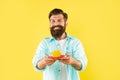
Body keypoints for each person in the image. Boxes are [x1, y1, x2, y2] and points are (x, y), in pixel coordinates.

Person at [32, 8, 88, 80]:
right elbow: (36, 65)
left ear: (66, 24)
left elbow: (82, 65)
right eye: (53, 21)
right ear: (50, 24)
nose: (56, 24)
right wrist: (44, 62)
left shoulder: (75, 42)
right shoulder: (44, 43)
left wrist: (72, 61)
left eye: (59, 21)